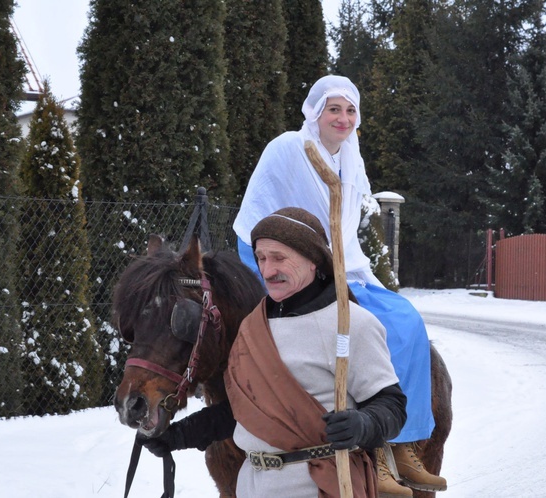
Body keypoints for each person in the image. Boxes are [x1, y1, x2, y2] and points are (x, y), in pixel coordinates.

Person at [232, 74, 447, 495]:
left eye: (350, 110)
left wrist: (345, 271)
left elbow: (343, 228)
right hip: (277, 259)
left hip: (334, 262)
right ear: (315, 112)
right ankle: (375, 454)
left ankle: (401, 444)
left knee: (403, 319)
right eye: (334, 109)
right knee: (351, 325)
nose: (343, 118)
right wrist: (297, 267)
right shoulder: (290, 149)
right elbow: (268, 224)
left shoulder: (350, 156)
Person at [140, 207, 408, 498]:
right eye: (261, 258)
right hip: (252, 485)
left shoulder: (350, 323)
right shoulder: (253, 325)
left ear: (313, 261)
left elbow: (391, 406)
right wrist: (179, 435)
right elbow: (246, 411)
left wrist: (364, 424)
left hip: (322, 485)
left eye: (279, 258)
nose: (267, 270)